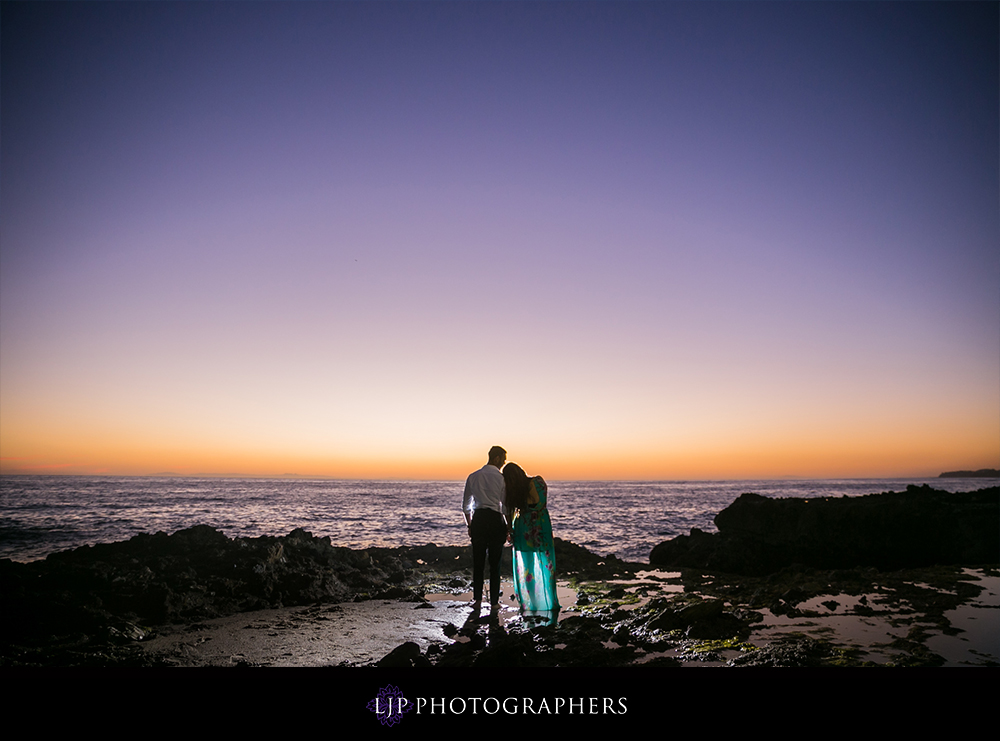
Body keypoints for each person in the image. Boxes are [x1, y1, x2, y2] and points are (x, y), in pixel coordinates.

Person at [502, 462, 559, 616]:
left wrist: (509, 529)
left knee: (527, 567)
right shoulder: (538, 482)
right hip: (541, 525)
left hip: (524, 528)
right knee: (546, 563)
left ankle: (532, 603)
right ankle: (547, 601)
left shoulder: (515, 492)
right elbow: (539, 501)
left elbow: (509, 511)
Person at [462, 446, 508, 612]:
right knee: (495, 564)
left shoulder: (473, 476)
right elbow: (505, 507)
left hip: (479, 519)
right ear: (496, 458)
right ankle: (494, 602)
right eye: (503, 459)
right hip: (495, 520)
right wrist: (509, 527)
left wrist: (470, 525)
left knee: (478, 562)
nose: (504, 462)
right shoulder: (502, 479)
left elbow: (466, 506)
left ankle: (477, 600)